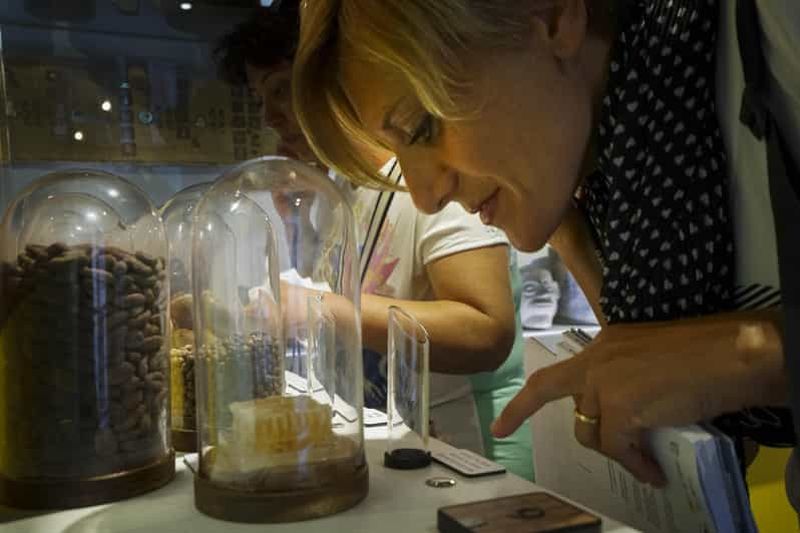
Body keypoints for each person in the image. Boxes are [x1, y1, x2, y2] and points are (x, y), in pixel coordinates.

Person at [292, 0, 800, 496]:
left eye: (423, 127)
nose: (426, 196)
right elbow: (706, 422)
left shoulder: (773, 26)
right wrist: (569, 233)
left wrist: (753, 354)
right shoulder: (613, 177)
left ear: (556, 16)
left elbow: (716, 372)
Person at [214, 2, 535, 479]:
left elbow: (486, 331)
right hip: (397, 451)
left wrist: (317, 307)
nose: (270, 117)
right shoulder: (340, 190)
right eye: (261, 100)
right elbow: (348, 302)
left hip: (472, 458)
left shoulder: (433, 174)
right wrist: (300, 227)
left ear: (333, 80)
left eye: (281, 90)